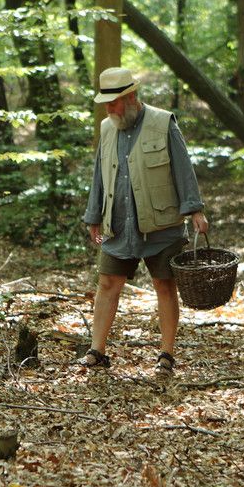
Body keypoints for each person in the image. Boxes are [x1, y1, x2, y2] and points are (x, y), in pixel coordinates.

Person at [79, 66, 209, 375]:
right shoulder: (107, 128)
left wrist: (195, 210)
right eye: (106, 104)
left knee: (164, 285)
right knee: (108, 282)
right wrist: (93, 215)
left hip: (161, 222)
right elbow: (99, 175)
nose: (110, 109)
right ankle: (97, 350)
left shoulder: (163, 123)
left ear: (131, 96)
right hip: (117, 223)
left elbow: (183, 169)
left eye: (114, 103)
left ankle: (166, 354)